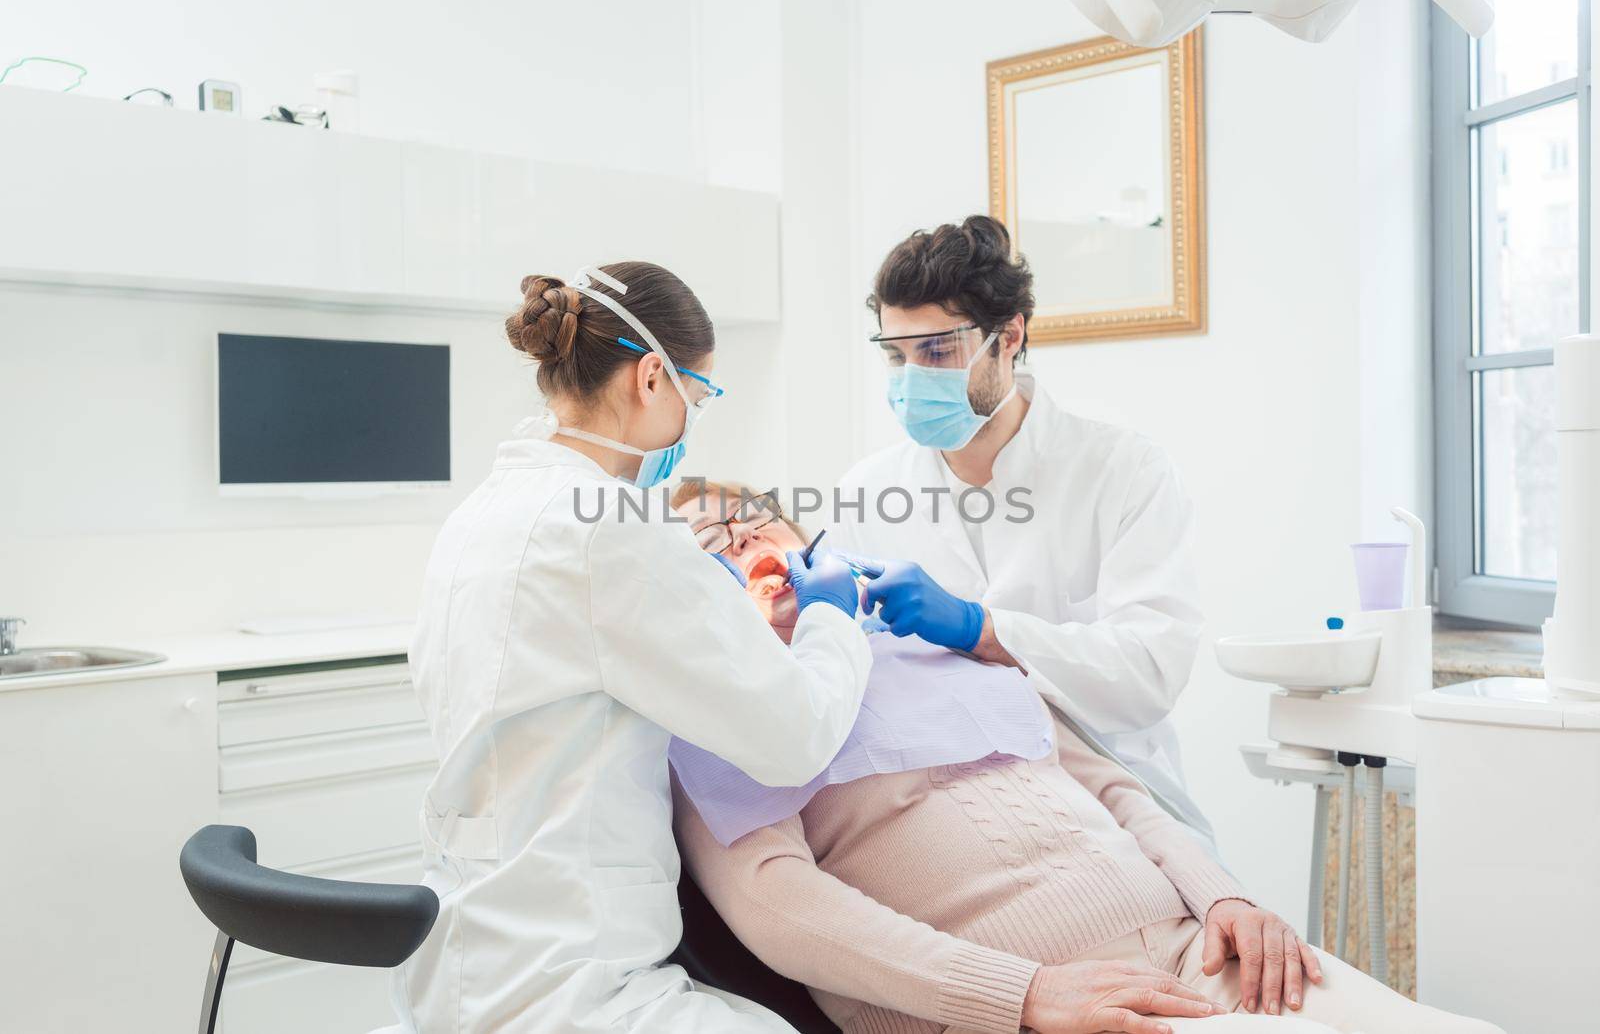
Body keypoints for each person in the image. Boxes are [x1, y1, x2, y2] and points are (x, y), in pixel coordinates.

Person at [668, 481, 1505, 1034]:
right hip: (1039, 1007)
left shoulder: (927, 648)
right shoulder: (724, 712)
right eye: (713, 535)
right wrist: (1023, 995)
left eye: (756, 516)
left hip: (1193, 956)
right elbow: (778, 908)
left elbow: (1114, 787)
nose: (745, 535)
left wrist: (1226, 898)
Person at [397, 263, 872, 1034]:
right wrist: (833, 617)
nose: (694, 428)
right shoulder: (610, 530)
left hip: (464, 959)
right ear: (654, 378)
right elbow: (797, 738)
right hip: (567, 982)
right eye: (700, 398)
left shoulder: (482, 514)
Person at [828, 216, 1210, 833]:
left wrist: (982, 630)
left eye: (937, 350)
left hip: (1116, 804)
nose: (911, 380)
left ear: (1008, 336)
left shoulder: (1123, 471)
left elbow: (1149, 673)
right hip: (951, 814)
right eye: (896, 356)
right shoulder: (866, 491)